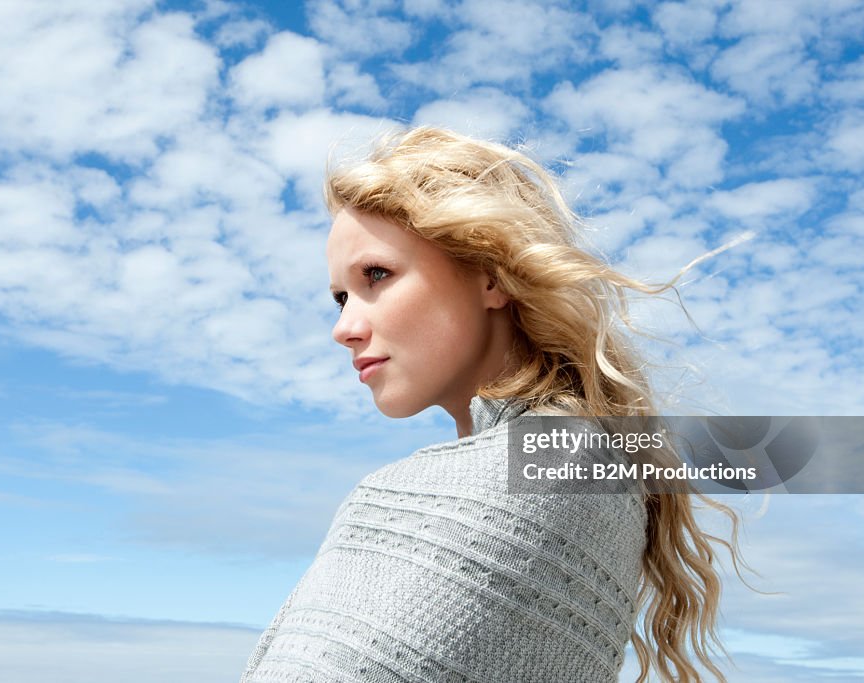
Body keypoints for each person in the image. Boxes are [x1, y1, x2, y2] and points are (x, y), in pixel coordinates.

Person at [240, 127, 741, 682]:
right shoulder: (591, 457)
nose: (344, 328)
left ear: (490, 275)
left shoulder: (541, 468)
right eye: (340, 298)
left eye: (376, 275)